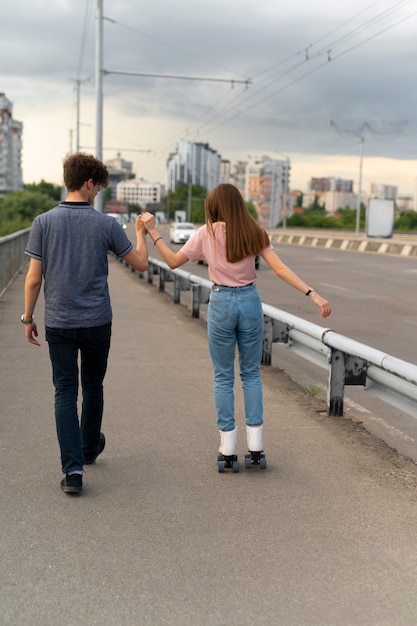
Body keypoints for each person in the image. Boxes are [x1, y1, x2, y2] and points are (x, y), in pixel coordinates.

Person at [140, 183, 331, 471]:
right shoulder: (254, 231)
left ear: (214, 206)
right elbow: (279, 268)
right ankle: (256, 447)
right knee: (251, 374)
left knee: (223, 377)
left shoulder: (206, 233)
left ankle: (228, 448)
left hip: (221, 303)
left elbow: (172, 261)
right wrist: (311, 293)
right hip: (250, 302)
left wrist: (152, 232)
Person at [22, 152, 149, 494]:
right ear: (88, 182)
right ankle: (90, 449)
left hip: (59, 322)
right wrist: (141, 232)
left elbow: (33, 279)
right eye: (98, 187)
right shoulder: (105, 224)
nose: (97, 194)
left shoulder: (43, 222)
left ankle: (73, 471)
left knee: (65, 391)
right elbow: (139, 263)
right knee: (93, 386)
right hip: (96, 322)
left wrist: (28, 317)